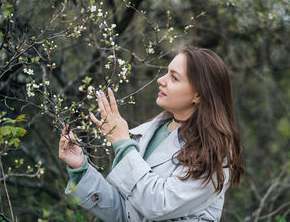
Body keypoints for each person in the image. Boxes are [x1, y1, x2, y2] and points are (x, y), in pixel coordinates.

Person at [58, 46, 244, 221]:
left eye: (174, 78)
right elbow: (128, 214)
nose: (161, 80)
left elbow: (158, 204)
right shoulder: (149, 132)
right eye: (166, 72)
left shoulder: (214, 153)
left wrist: (122, 141)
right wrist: (81, 169)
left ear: (199, 95)